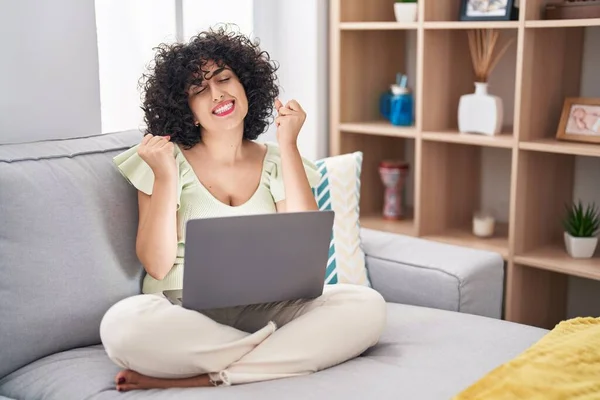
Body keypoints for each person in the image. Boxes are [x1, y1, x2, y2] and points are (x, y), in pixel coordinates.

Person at [99, 26, 387, 392]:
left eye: (224, 78)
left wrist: (289, 143)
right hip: (184, 311)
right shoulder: (163, 161)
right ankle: (278, 356)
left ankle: (211, 375)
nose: (217, 92)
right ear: (187, 110)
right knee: (123, 325)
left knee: (365, 306)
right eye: (199, 89)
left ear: (246, 85)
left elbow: (305, 243)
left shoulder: (278, 158)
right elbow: (156, 265)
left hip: (268, 305)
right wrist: (166, 178)